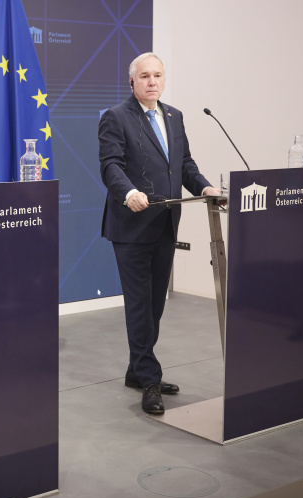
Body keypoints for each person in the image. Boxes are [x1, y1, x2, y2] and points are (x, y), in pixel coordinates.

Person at [98, 52, 222, 415]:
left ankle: (137, 369)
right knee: (140, 307)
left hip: (166, 223)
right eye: (145, 76)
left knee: (154, 306)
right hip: (132, 225)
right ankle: (150, 380)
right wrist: (128, 192)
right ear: (132, 81)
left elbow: (184, 164)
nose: (152, 81)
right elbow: (111, 165)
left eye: (158, 75)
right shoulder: (116, 117)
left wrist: (204, 188)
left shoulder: (174, 116)